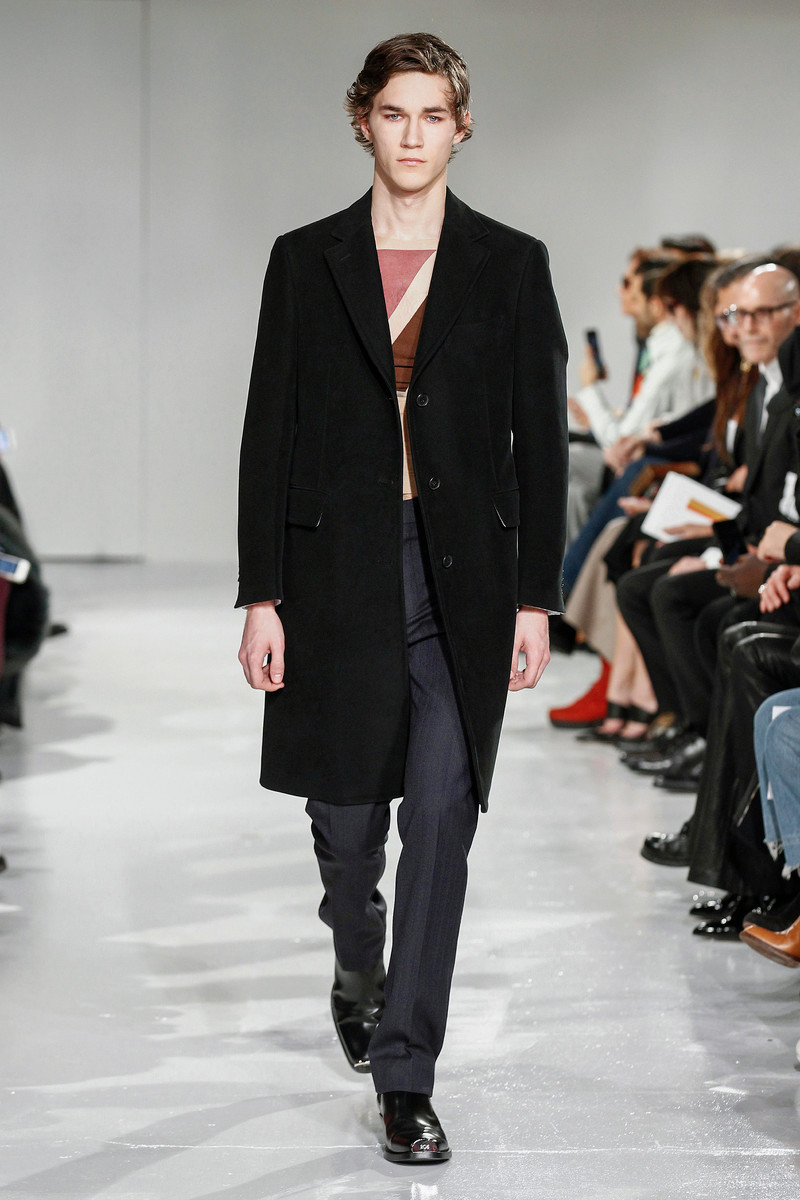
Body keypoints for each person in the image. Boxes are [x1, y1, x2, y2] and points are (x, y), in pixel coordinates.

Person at [235, 33, 567, 1165]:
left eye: (433, 115)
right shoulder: (305, 259)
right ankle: (354, 959)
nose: (413, 134)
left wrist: (535, 600)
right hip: (334, 572)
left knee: (439, 820)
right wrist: (262, 594)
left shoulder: (510, 263)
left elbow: (539, 442)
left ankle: (406, 1075)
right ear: (362, 120)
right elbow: (268, 431)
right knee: (346, 826)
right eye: (394, 113)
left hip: (461, 578)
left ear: (460, 129)